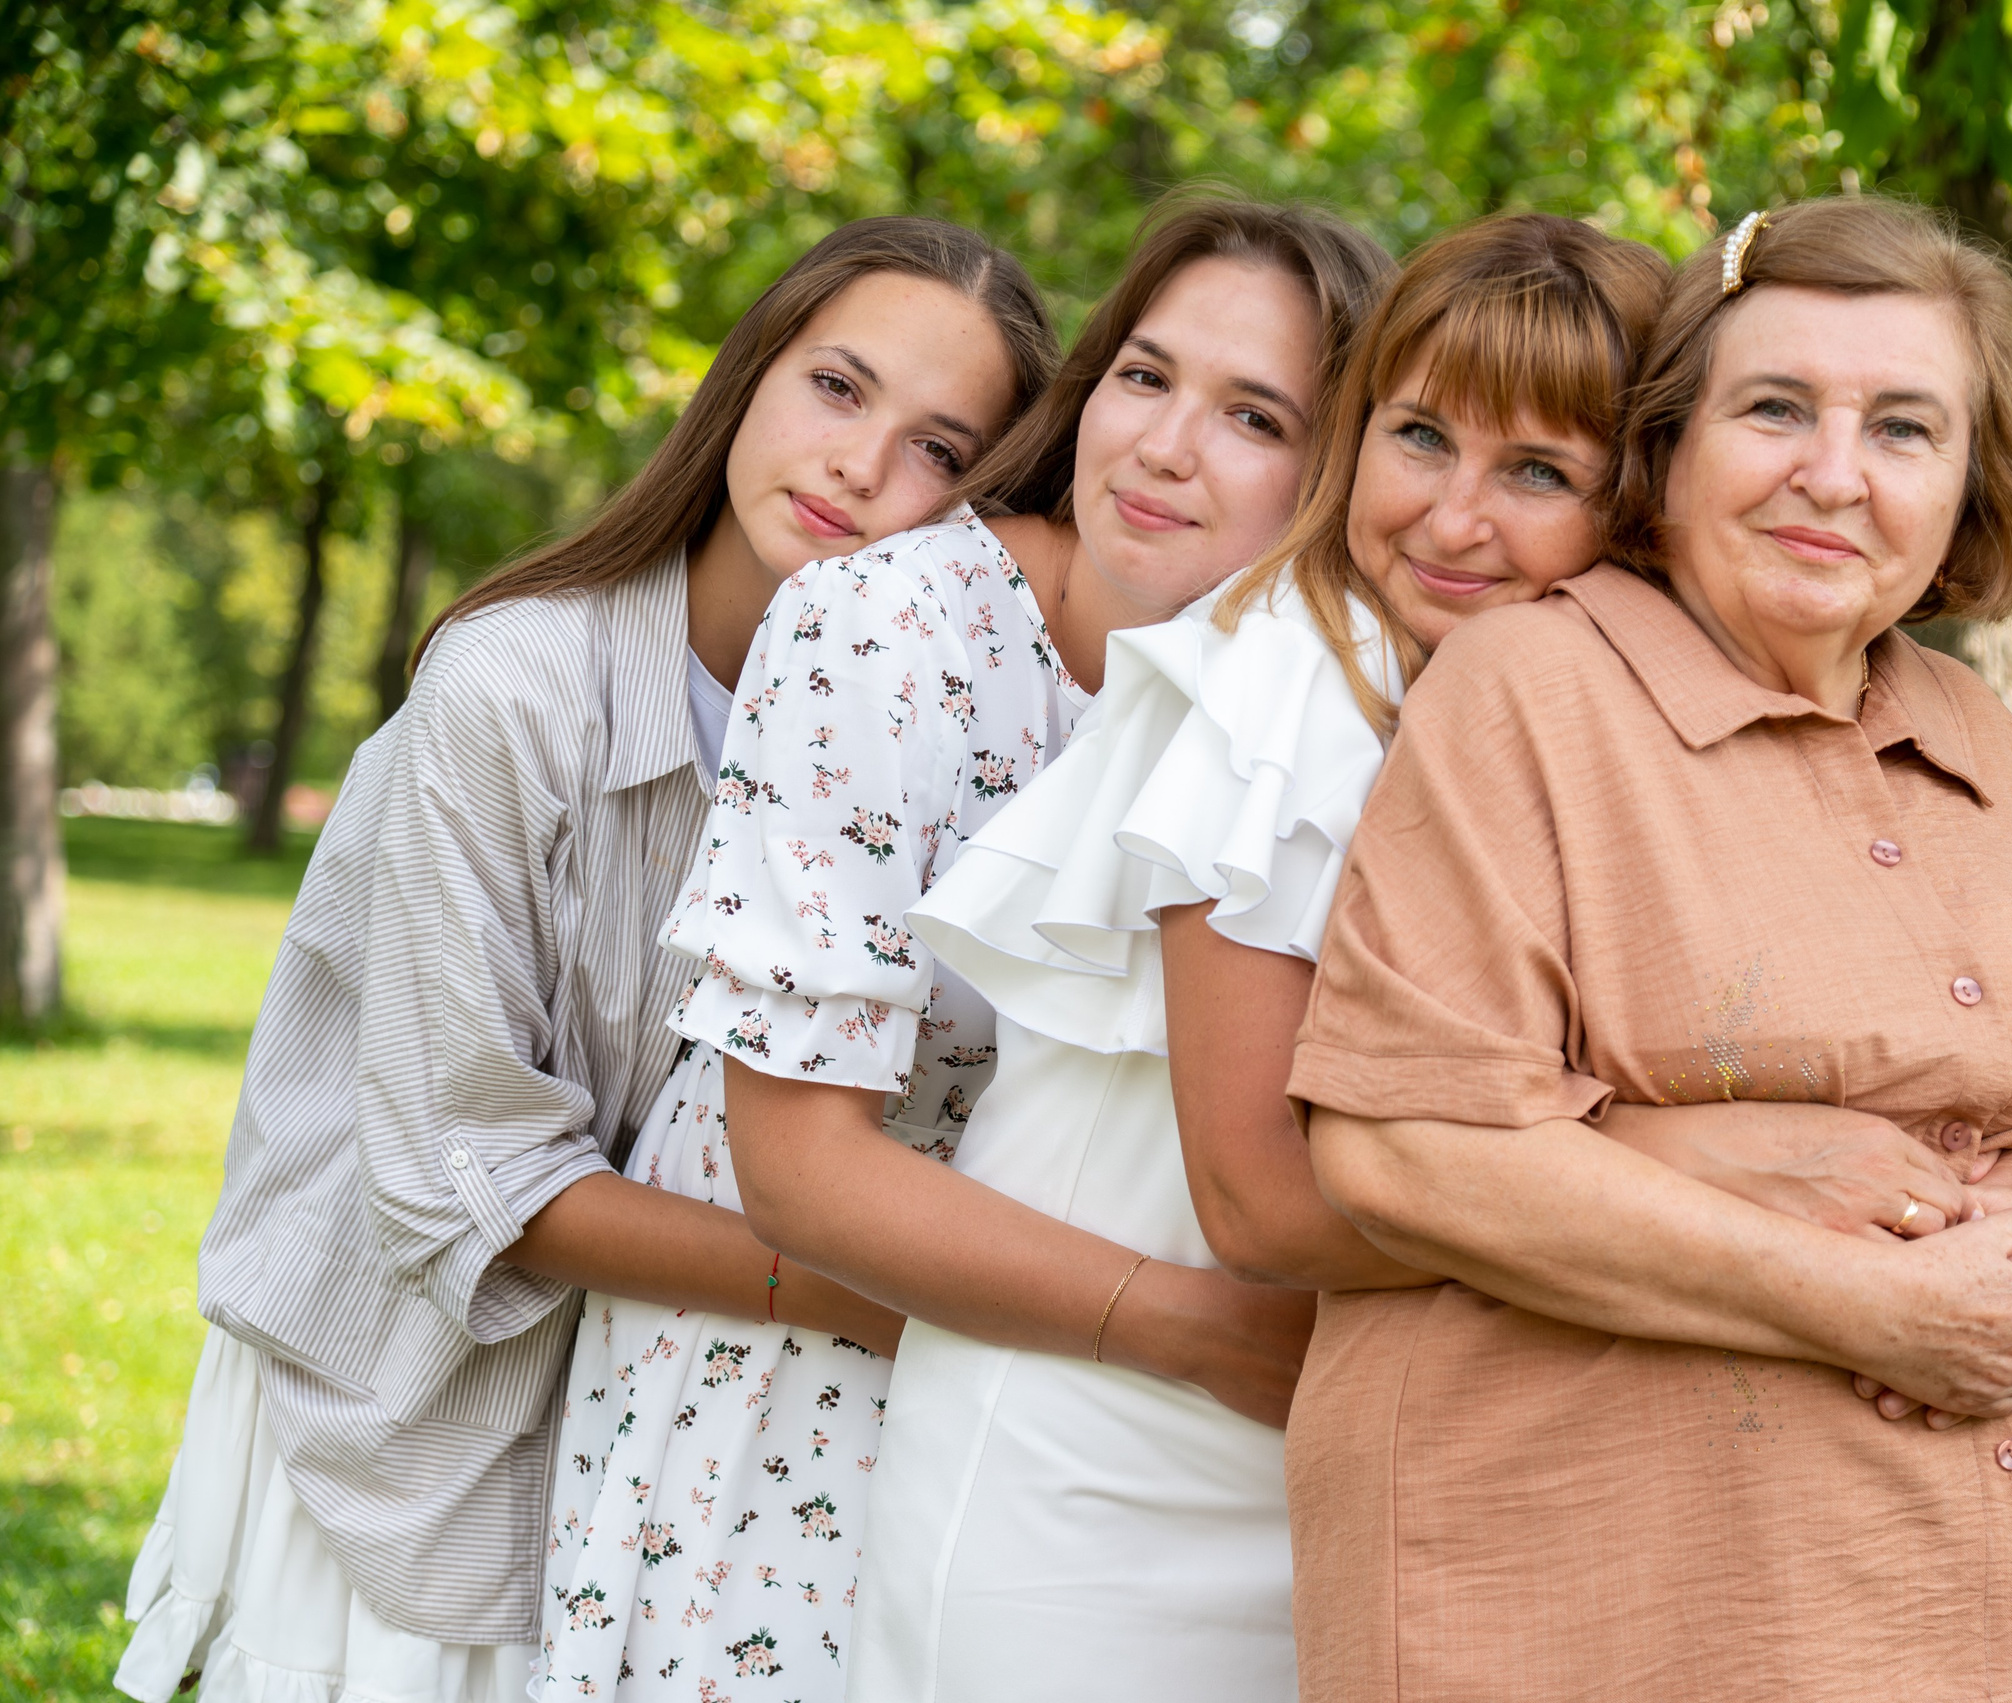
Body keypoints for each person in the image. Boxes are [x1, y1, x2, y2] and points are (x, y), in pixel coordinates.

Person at [1285, 197, 2012, 1703]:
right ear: (1667, 452)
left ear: (1968, 485)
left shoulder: (1976, 732)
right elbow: (1404, 1147)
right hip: (1609, 1602)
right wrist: (1879, 1310)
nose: (1833, 475)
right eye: (1776, 408)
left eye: (1905, 429)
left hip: (1944, 1593)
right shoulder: (1529, 688)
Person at [113, 217, 1056, 1703]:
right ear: (749, 378)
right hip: (403, 1386)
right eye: (837, 387)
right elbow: (468, 1177)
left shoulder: (934, 747)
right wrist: (893, 1295)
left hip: (670, 1411)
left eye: (941, 448)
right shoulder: (513, 691)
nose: (863, 465)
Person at [801, 212, 1669, 1703]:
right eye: (1419, 438)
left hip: (1305, 1464)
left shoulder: (1484, 704)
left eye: (1537, 472)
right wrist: (1703, 1198)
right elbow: (1259, 1199)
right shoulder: (1293, 679)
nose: (1454, 518)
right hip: (1085, 1498)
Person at [646, 193, 1394, 1703]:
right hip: (798, 1374)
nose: (1166, 447)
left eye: (1254, 416)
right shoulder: (882, 630)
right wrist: (1200, 1333)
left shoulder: (1319, 687)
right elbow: (797, 1171)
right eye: (1145, 376)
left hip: (1137, 1436)